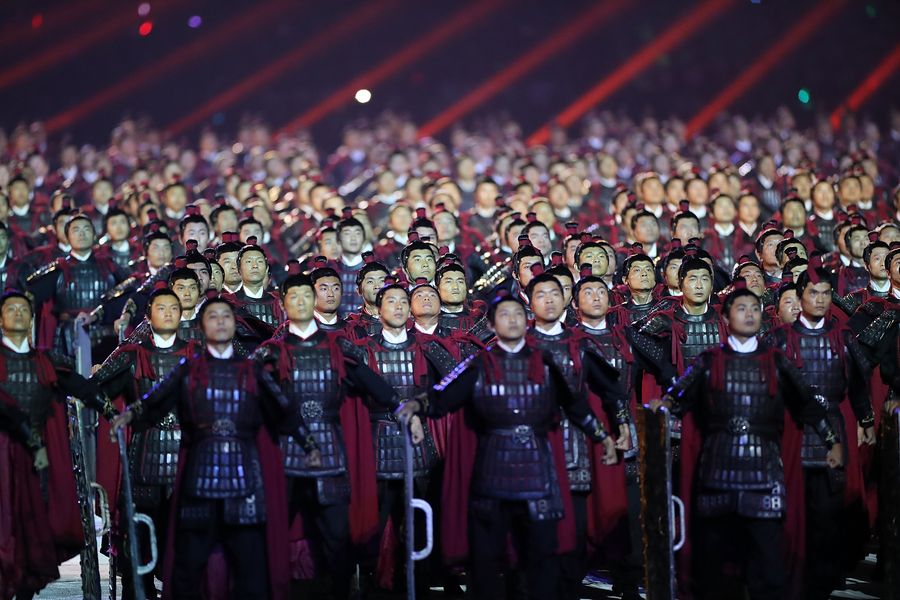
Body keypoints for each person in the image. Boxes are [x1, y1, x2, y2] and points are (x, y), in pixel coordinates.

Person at [395, 291, 615, 600]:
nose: (512, 320)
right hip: (492, 473)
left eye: (517, 314)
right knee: (486, 560)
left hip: (538, 473)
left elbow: (575, 405)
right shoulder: (478, 365)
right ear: (492, 324)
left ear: (526, 321)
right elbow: (444, 396)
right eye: (504, 315)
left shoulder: (545, 363)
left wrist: (602, 436)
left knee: (541, 557)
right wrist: (417, 406)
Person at [110, 295, 320, 600]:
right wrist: (129, 415)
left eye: (226, 316)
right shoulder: (188, 369)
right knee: (188, 568)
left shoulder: (253, 371)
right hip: (200, 481)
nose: (220, 322)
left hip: (245, 481)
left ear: (234, 324)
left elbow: (285, 412)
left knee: (249, 571)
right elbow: (155, 401)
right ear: (201, 326)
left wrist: (310, 446)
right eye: (213, 317)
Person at [655, 281, 844, 600]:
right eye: (741, 308)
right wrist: (661, 408)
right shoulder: (709, 360)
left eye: (755, 309)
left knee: (768, 565)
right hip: (717, 471)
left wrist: (832, 441)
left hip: (764, 471)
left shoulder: (777, 360)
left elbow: (807, 405)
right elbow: (676, 398)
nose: (750, 314)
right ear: (726, 318)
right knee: (716, 567)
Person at [255, 271, 402, 599]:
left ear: (314, 300)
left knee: (336, 538)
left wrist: (402, 407)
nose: (301, 302)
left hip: (330, 452)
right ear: (283, 303)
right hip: (286, 455)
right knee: (276, 532)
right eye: (294, 297)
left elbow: (369, 381)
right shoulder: (270, 352)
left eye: (306, 296)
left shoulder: (338, 345)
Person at [0, 291, 109, 600]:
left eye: (24, 309)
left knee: (31, 526)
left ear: (32, 319)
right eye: (11, 309)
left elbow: (82, 387)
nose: (18, 314)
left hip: (37, 459)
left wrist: (112, 412)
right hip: (2, 453)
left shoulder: (47, 362)